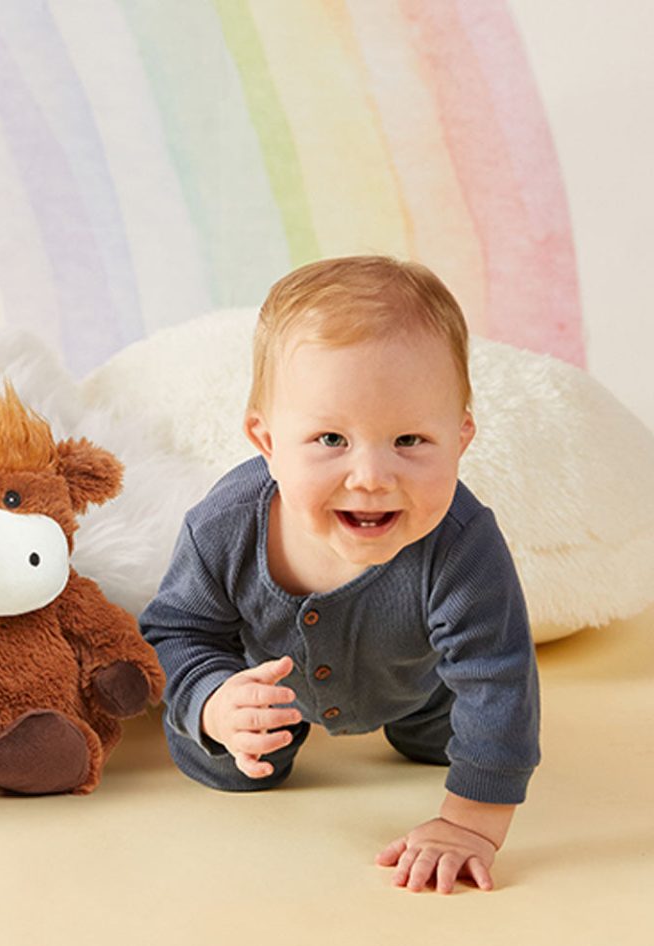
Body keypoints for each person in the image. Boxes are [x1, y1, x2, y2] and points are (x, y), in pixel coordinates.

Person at [139, 256, 540, 894]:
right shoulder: (224, 526)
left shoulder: (462, 544)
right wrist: (213, 703)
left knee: (454, 738)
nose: (372, 477)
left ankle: (428, 729)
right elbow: (175, 629)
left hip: (420, 688)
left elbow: (497, 675)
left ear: (461, 438)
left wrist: (469, 825)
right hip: (271, 691)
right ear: (267, 442)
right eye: (331, 439)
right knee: (232, 768)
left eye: (410, 440)